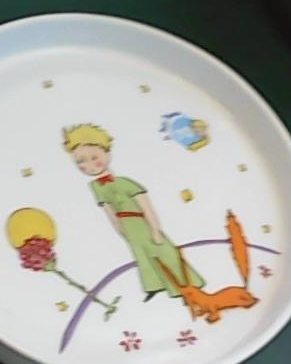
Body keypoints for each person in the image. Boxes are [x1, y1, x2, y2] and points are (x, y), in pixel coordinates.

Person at [62, 123, 205, 301]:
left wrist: (155, 229)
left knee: (165, 252)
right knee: (142, 257)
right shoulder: (96, 187)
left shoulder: (124, 182)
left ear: (107, 153)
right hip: (128, 227)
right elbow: (110, 212)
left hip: (142, 222)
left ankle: (186, 284)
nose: (89, 165)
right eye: (80, 161)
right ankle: (154, 286)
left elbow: (146, 207)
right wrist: (120, 231)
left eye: (94, 157)